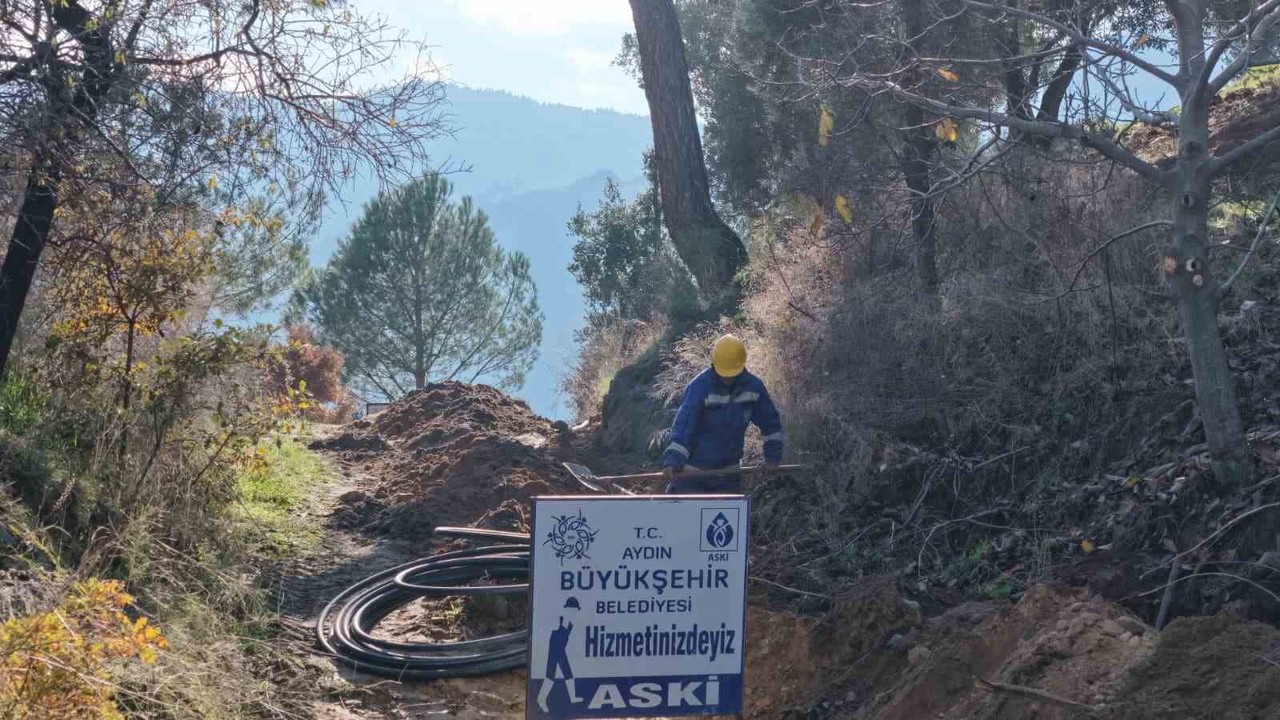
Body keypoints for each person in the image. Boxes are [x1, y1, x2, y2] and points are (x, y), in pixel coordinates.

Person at [662, 335, 784, 494]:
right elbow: (684, 427)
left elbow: (771, 425)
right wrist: (673, 460)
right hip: (692, 476)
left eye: (732, 374)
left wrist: (773, 458)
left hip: (728, 476)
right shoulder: (699, 387)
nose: (727, 378)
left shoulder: (754, 388)